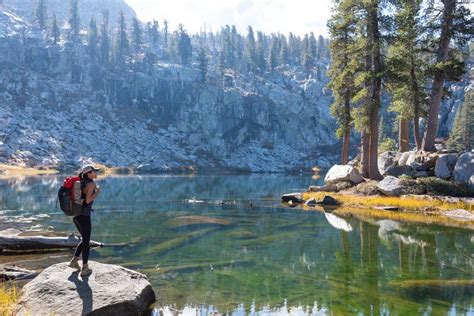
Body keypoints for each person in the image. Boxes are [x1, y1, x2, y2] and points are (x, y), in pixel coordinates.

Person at [68, 165, 101, 277]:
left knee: (85, 239)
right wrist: (97, 192)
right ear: (88, 173)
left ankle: (74, 261)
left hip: (76, 216)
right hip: (84, 216)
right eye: (94, 171)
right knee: (86, 242)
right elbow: (87, 200)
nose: (96, 173)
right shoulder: (91, 184)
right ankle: (85, 268)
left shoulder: (80, 183)